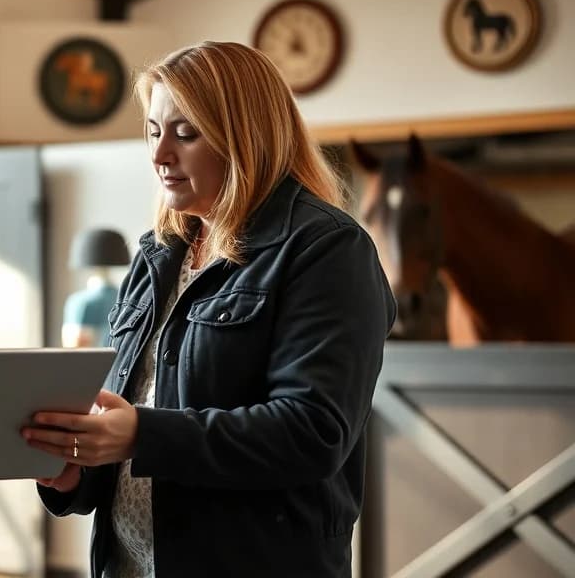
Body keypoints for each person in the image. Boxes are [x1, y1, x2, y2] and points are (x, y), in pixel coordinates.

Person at [22, 41, 395, 577]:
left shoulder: (327, 249)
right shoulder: (156, 254)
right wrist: (75, 475)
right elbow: (134, 405)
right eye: (153, 131)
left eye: (185, 133)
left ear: (246, 137)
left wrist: (140, 434)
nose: (159, 156)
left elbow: (312, 432)